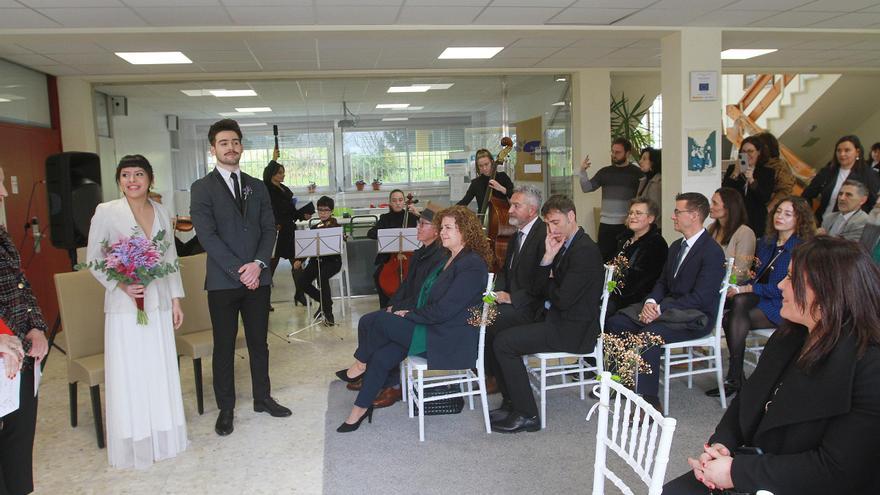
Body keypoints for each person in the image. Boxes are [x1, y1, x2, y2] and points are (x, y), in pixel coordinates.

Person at [665, 236, 880, 495]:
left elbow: (838, 469)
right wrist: (723, 443)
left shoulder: (870, 367)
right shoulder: (790, 335)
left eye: (791, 279)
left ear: (827, 293)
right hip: (754, 464)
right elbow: (748, 399)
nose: (780, 285)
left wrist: (737, 473)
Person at [334, 206, 491, 432]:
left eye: (448, 228)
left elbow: (445, 310)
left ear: (465, 231)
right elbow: (427, 297)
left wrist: (409, 314)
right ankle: (360, 409)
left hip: (449, 339)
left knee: (378, 322)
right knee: (381, 354)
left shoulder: (472, 264)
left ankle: (359, 364)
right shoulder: (450, 258)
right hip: (433, 329)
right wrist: (408, 312)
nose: (442, 232)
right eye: (442, 227)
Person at [190, 119, 291, 438]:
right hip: (222, 282)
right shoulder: (201, 188)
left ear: (241, 146)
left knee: (259, 343)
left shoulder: (257, 185)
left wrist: (259, 264)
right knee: (224, 346)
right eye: (223, 143)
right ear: (213, 149)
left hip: (257, 279)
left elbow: (267, 227)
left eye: (235, 141)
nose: (230, 147)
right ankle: (226, 408)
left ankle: (263, 398)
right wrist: (240, 269)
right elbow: (207, 236)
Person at [85, 155, 187, 468]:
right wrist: (123, 285)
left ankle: (163, 434)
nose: (132, 180)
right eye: (125, 175)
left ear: (150, 179)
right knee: (131, 372)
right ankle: (135, 438)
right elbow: (93, 258)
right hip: (124, 307)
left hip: (156, 303)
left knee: (158, 369)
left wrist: (175, 300)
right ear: (119, 181)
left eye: (138, 174)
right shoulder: (107, 211)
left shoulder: (160, 210)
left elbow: (169, 259)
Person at [490, 195, 604, 433]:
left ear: (571, 217)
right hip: (556, 318)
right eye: (548, 224)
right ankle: (512, 402)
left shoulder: (584, 250)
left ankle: (527, 415)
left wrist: (551, 283)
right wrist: (548, 259)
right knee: (500, 328)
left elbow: (562, 299)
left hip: (574, 329)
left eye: (556, 222)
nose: (551, 229)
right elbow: (542, 288)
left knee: (504, 343)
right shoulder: (564, 245)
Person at [605, 192, 725, 414]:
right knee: (617, 322)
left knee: (649, 336)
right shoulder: (676, 246)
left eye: (678, 212)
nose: (673, 217)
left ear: (695, 215)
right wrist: (651, 302)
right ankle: (622, 380)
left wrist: (659, 309)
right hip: (668, 309)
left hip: (694, 317)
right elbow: (662, 282)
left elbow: (701, 297)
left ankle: (649, 403)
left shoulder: (712, 252)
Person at [706, 196, 815, 399]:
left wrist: (747, 289)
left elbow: (786, 288)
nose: (780, 216)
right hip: (761, 299)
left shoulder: (801, 248)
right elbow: (755, 276)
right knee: (735, 306)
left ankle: (735, 377)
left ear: (800, 219)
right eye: (778, 211)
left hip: (783, 303)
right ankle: (736, 377)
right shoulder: (766, 242)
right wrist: (742, 286)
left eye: (787, 214)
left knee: (731, 315)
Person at [346, 203, 446, 408]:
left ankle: (391, 385)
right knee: (366, 321)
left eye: (423, 224)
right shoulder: (420, 253)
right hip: (406, 306)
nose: (418, 227)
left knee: (380, 327)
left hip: (419, 314)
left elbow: (423, 295)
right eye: (419, 223)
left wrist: (400, 310)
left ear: (437, 230)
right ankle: (372, 373)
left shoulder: (439, 256)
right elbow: (406, 286)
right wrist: (392, 306)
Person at [0, 166, 49, 494]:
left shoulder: (2, 233)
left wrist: (37, 328)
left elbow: (21, 288)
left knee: (17, 449)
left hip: (21, 356)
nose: (4, 193)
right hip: (5, 351)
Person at [484, 185, 547, 395]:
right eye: (511, 205)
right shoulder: (516, 236)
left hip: (535, 307)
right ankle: (492, 375)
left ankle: (498, 379)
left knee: (488, 319)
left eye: (515, 206)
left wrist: (512, 298)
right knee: (481, 312)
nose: (509, 210)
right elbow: (505, 273)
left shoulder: (544, 235)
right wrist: (495, 294)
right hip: (517, 303)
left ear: (531, 210)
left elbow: (543, 282)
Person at [579, 137, 644, 261]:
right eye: (612, 152)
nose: (614, 155)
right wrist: (582, 171)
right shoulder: (605, 172)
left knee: (624, 259)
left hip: (626, 225)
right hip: (605, 225)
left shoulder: (636, 173)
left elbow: (643, 197)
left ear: (628, 153)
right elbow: (586, 188)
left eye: (618, 152)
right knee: (604, 259)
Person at [606, 199, 668, 317]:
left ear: (651, 218)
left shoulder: (656, 244)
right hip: (612, 292)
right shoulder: (623, 239)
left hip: (634, 300)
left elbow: (643, 282)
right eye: (630, 213)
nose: (632, 216)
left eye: (638, 213)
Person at [262, 160, 311, 308]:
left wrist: (303, 215)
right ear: (272, 175)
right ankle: (264, 300)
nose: (283, 175)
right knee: (270, 266)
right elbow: (266, 211)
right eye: (280, 173)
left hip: (289, 230)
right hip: (276, 232)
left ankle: (300, 293)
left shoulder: (284, 189)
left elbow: (290, 212)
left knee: (297, 263)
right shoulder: (266, 190)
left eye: (283, 172)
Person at [802, 134, 880, 224]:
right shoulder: (827, 171)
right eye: (839, 151)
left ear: (857, 152)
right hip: (819, 223)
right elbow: (806, 195)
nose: (842, 154)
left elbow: (872, 206)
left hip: (847, 229)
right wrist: (808, 217)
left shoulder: (869, 175)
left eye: (847, 150)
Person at [367, 189, 419, 308]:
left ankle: (410, 307)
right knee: (377, 275)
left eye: (400, 200)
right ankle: (384, 308)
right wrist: (387, 234)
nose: (397, 203)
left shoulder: (412, 217)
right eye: (394, 200)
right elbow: (371, 233)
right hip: (389, 258)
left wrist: (418, 214)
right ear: (390, 203)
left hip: (409, 257)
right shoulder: (385, 218)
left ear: (405, 202)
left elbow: (432, 226)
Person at [295, 196, 342, 325]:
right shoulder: (315, 228)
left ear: (331, 211)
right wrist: (300, 259)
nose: (322, 213)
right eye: (320, 210)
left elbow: (339, 243)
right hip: (316, 261)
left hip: (333, 262)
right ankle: (325, 301)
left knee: (322, 277)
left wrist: (341, 237)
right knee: (302, 282)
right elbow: (308, 246)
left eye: (326, 210)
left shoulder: (335, 226)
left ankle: (328, 314)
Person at [722, 135, 775, 235]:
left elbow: (764, 198)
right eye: (744, 151)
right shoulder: (733, 169)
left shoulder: (767, 172)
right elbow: (724, 194)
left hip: (756, 220)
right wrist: (735, 173)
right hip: (735, 218)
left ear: (758, 152)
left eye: (750, 151)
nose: (747, 155)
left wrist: (752, 180)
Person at [707, 188, 756, 283]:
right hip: (709, 283)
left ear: (728, 207)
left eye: (715, 203)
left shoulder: (745, 233)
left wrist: (725, 286)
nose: (710, 207)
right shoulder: (711, 229)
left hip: (729, 288)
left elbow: (741, 272)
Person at [457, 148, 514, 214]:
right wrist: (449, 211)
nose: (484, 168)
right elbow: (464, 202)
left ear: (492, 162)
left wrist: (501, 188)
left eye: (486, 164)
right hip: (483, 220)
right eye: (480, 166)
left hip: (502, 219)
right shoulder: (476, 183)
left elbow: (514, 197)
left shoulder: (503, 176)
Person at [756, 132, 796, 209]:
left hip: (766, 207)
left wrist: (767, 210)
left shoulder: (779, 165)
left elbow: (784, 191)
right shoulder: (755, 162)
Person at [635, 147, 662, 222]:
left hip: (651, 227)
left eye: (644, 159)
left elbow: (656, 211)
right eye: (641, 158)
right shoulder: (644, 180)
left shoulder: (656, 183)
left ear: (653, 162)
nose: (640, 162)